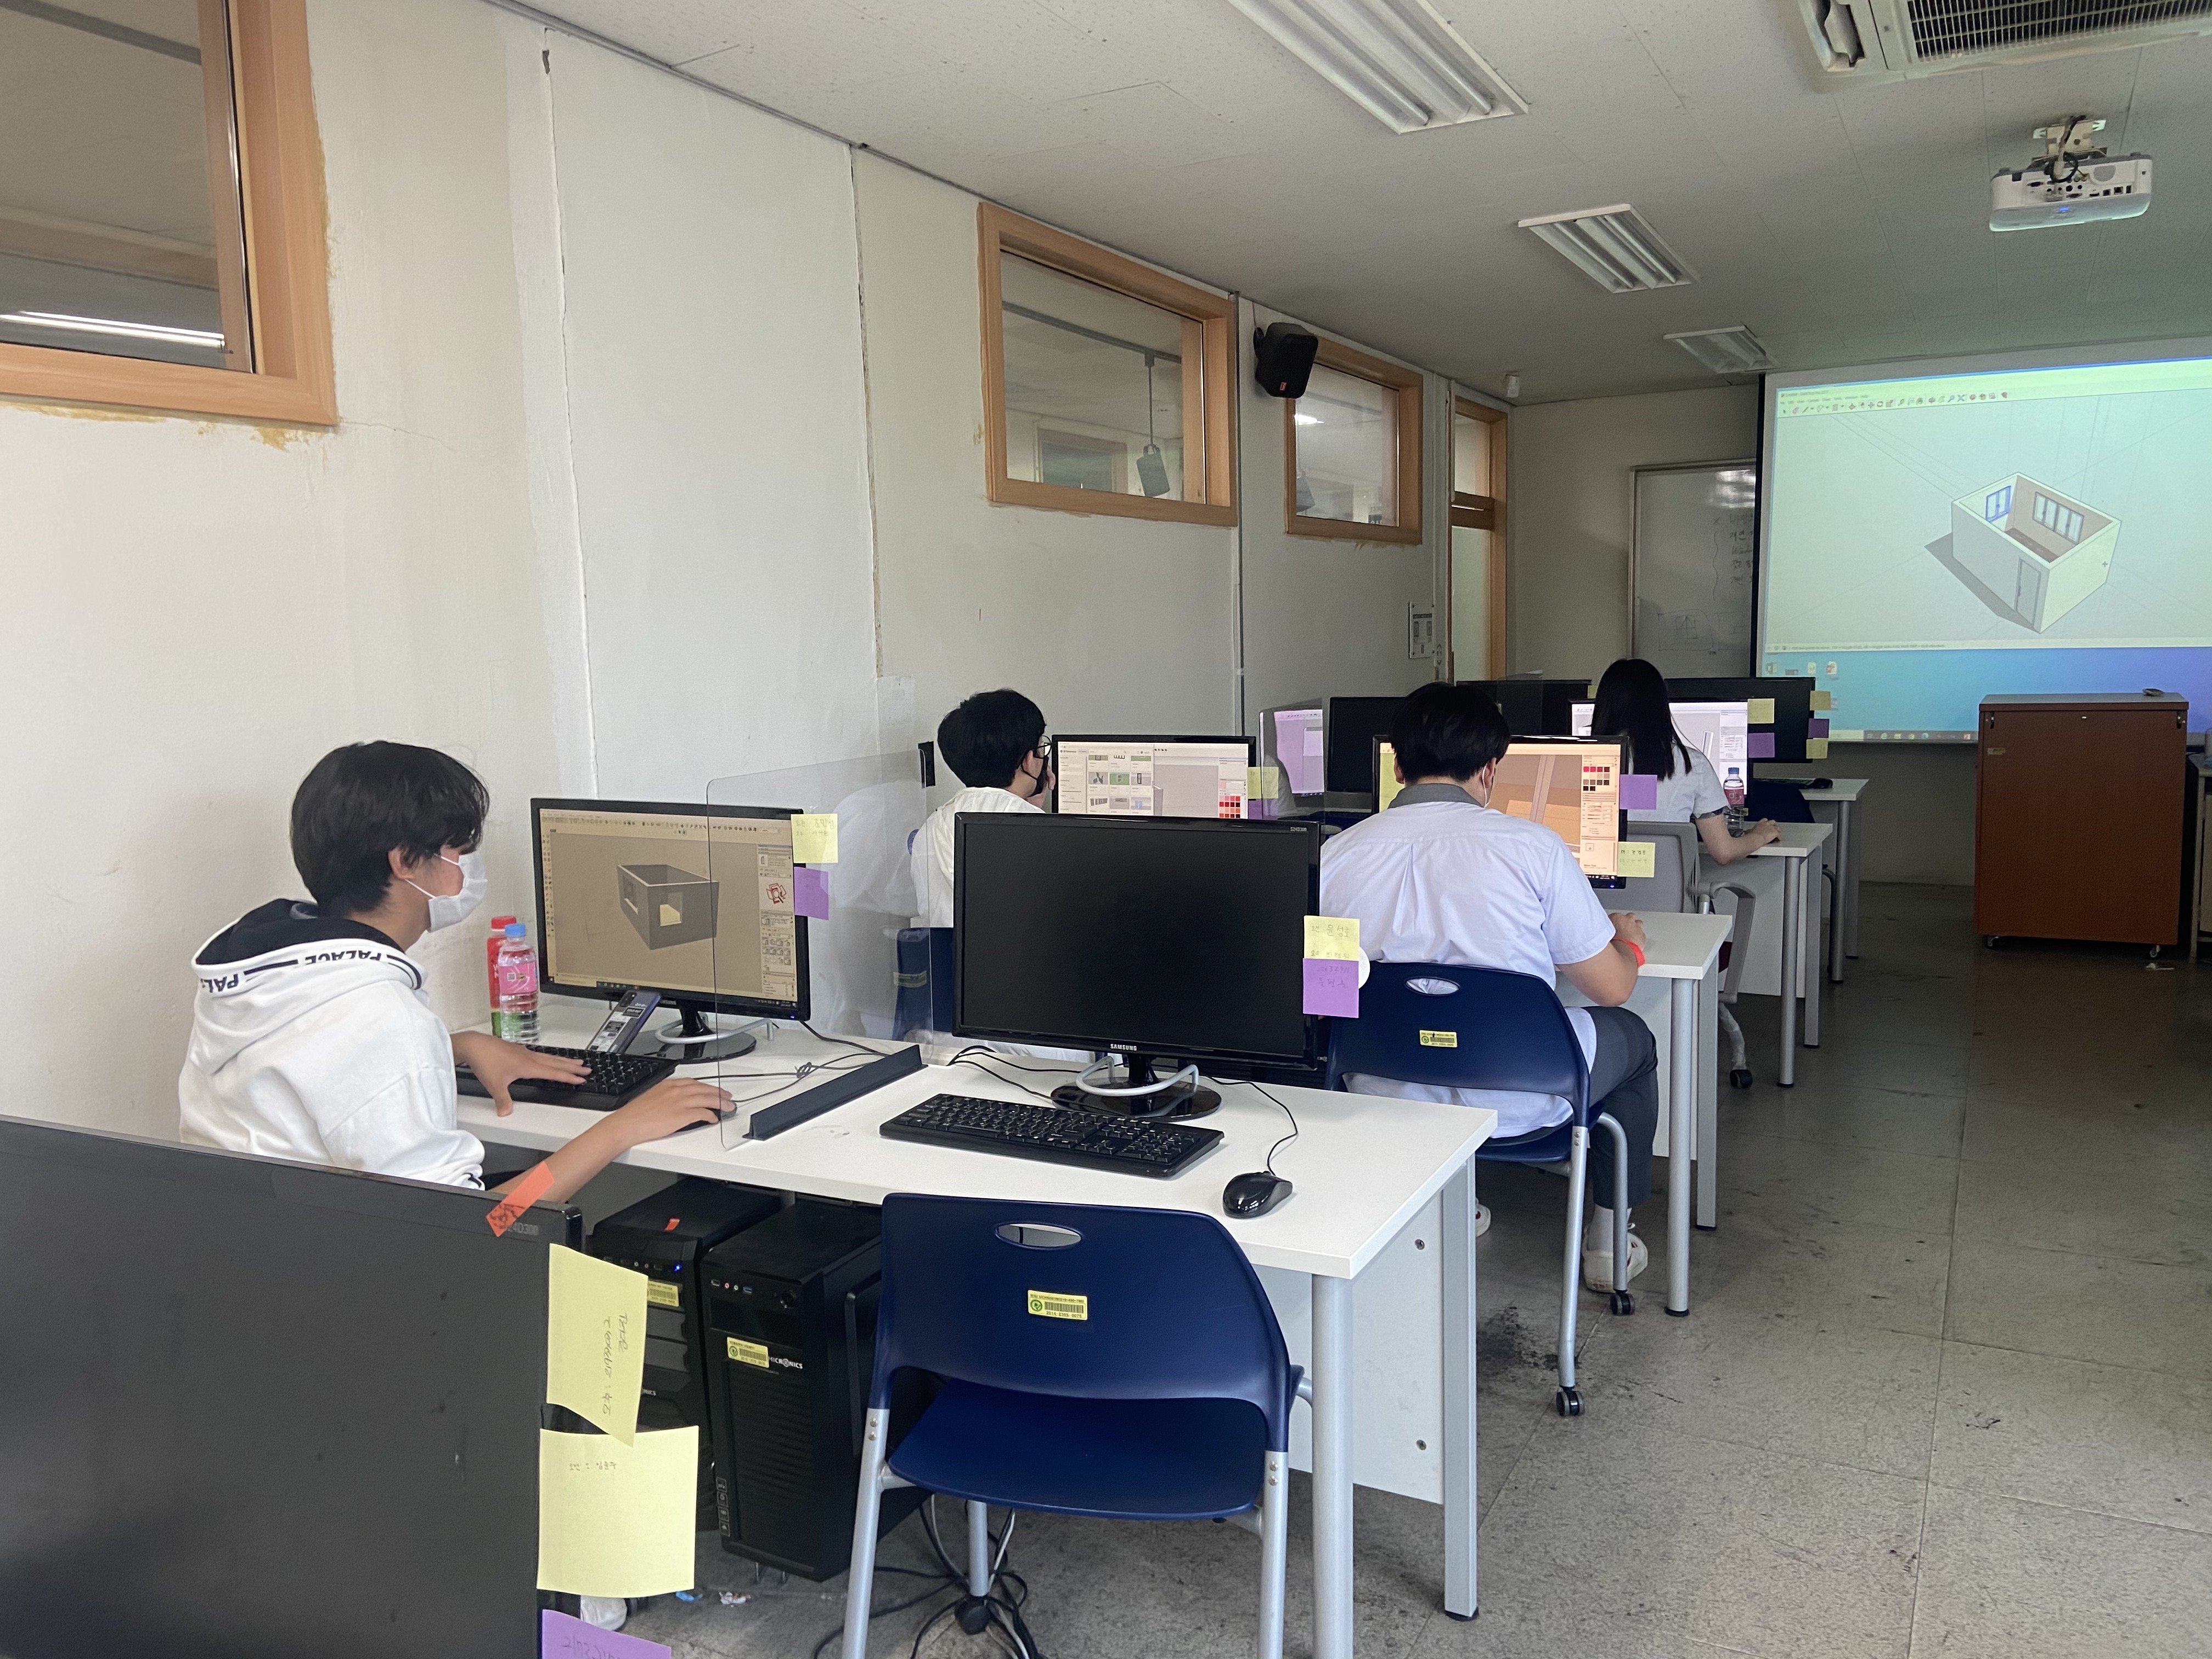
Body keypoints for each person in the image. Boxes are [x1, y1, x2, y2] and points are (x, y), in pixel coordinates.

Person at [181, 742, 731, 1200]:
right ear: (405, 862)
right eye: (458, 848)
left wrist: (455, 1046)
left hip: (256, 1252)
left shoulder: (262, 971)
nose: (467, 865)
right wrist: (620, 1130)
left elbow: (309, 1061)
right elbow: (483, 1227)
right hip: (355, 1277)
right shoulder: (382, 1016)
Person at [1319, 683, 1658, 1288]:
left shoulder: (1334, 857)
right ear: (1490, 770)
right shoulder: (1533, 849)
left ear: (1397, 765)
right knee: (1635, 1041)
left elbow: (1325, 996)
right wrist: (1627, 944)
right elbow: (1612, 990)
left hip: (1382, 1094)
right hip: (1522, 1097)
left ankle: (1458, 1200)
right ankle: (1608, 1246)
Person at [1590, 657, 1778, 864]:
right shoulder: (1691, 765)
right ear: (1660, 706)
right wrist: (1760, 835)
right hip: (1665, 883)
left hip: (1594, 883)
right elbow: (1724, 852)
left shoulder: (1585, 763)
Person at [910, 688, 1053, 929]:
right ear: (1029, 760)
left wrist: (1028, 805)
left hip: (948, 955)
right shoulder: (1044, 834)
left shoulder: (929, 830)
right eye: (1041, 748)